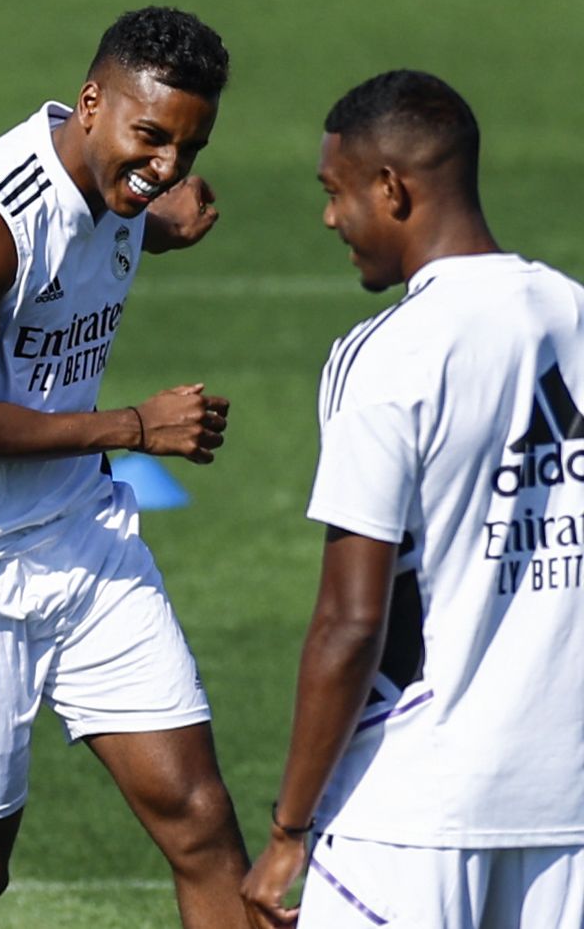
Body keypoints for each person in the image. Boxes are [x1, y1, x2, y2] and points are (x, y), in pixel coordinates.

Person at [0, 6, 251, 928]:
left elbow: (108, 211)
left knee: (202, 825)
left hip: (84, 540)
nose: (164, 169)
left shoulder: (119, 187)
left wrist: (156, 219)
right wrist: (134, 425)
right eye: (150, 139)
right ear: (91, 102)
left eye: (187, 153)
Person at [242, 71, 584, 927]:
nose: (330, 219)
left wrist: (290, 827)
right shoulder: (576, 313)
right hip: (569, 799)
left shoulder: (389, 354)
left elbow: (351, 620)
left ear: (390, 188)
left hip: (416, 803)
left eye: (335, 191)